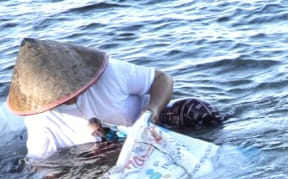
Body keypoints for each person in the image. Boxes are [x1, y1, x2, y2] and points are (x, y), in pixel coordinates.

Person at [7, 37, 223, 160]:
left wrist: (152, 110)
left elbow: (162, 78)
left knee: (200, 112)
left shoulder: (111, 73)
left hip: (148, 124)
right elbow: (42, 164)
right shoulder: (40, 120)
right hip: (100, 153)